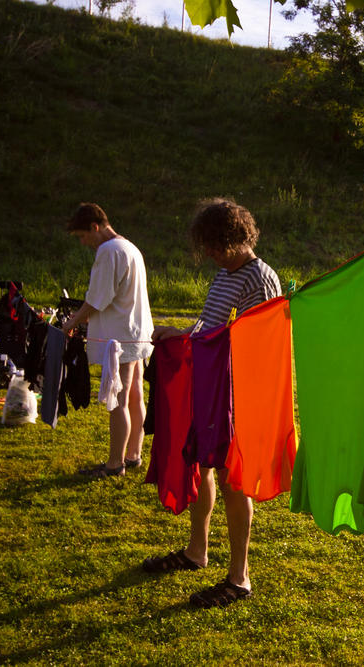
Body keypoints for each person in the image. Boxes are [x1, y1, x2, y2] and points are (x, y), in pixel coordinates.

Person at [143, 197, 281, 609]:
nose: (209, 254)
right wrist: (178, 333)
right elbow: (209, 329)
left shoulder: (261, 279)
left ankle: (239, 578)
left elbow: (263, 345)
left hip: (237, 397)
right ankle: (196, 552)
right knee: (200, 466)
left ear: (236, 238)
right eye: (206, 247)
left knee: (233, 479)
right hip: (209, 391)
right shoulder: (223, 276)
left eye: (215, 246)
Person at [62, 203, 154, 478]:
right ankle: (133, 454)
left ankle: (115, 464)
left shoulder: (109, 250)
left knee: (119, 399)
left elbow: (98, 297)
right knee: (135, 394)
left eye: (82, 236)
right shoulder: (129, 247)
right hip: (136, 331)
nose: (83, 242)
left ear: (95, 227)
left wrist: (73, 321)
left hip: (120, 337)